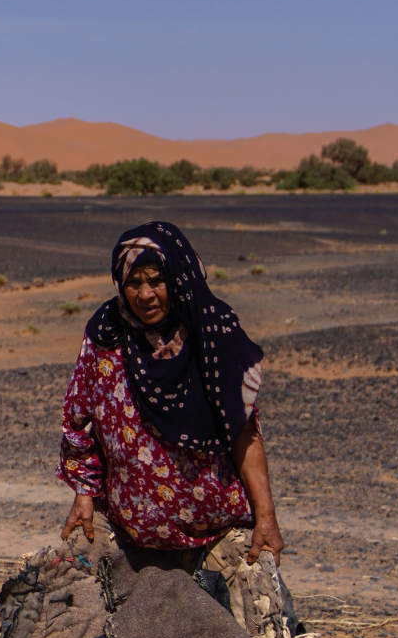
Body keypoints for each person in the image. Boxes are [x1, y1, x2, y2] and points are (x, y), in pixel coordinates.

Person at [60, 220, 284, 565]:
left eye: (157, 280)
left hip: (218, 533)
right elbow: (79, 420)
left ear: (179, 277)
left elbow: (244, 431)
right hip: (127, 536)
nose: (145, 294)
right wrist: (84, 493)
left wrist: (266, 517)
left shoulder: (212, 332)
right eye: (133, 282)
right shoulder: (106, 336)